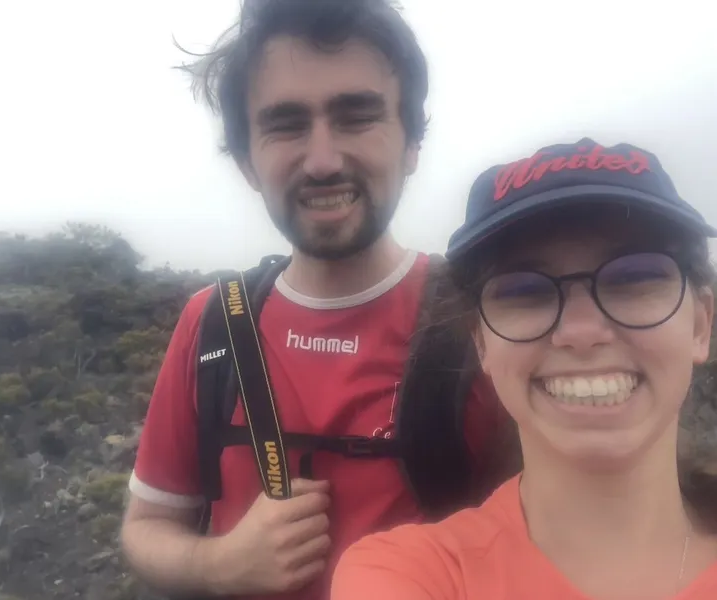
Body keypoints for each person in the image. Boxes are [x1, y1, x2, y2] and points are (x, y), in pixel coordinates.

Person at [119, 2, 505, 600]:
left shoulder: (485, 322)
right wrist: (219, 564)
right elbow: (146, 527)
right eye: (286, 124)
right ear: (247, 162)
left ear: (412, 143)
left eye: (357, 116)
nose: (323, 161)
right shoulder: (213, 323)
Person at [331, 137, 717, 599]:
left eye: (634, 278)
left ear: (700, 325)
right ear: (482, 344)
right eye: (524, 292)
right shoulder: (411, 574)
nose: (581, 331)